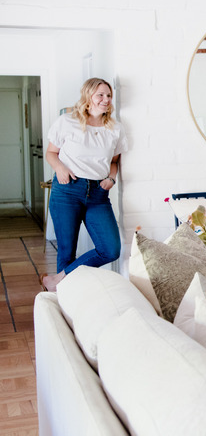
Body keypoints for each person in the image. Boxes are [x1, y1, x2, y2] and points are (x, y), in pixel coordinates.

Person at [42, 78, 128, 291]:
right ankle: (66, 298)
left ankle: (58, 280)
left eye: (109, 95)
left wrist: (111, 179)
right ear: (88, 96)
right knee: (66, 251)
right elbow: (51, 153)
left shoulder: (115, 128)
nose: (106, 99)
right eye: (100, 95)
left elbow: (114, 162)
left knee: (110, 249)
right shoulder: (67, 121)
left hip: (98, 195)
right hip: (67, 191)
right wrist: (60, 168)